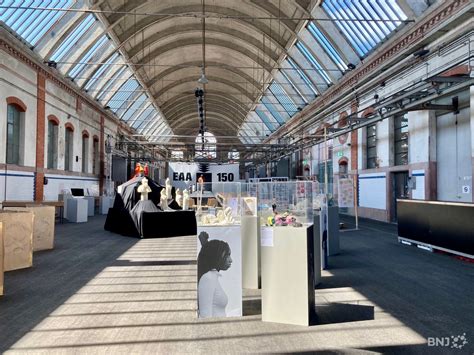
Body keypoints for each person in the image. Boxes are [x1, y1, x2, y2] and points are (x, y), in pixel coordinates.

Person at [197, 231, 232, 318]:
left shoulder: (212, 276)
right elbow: (205, 315)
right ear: (217, 256)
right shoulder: (208, 278)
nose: (231, 260)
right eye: (227, 255)